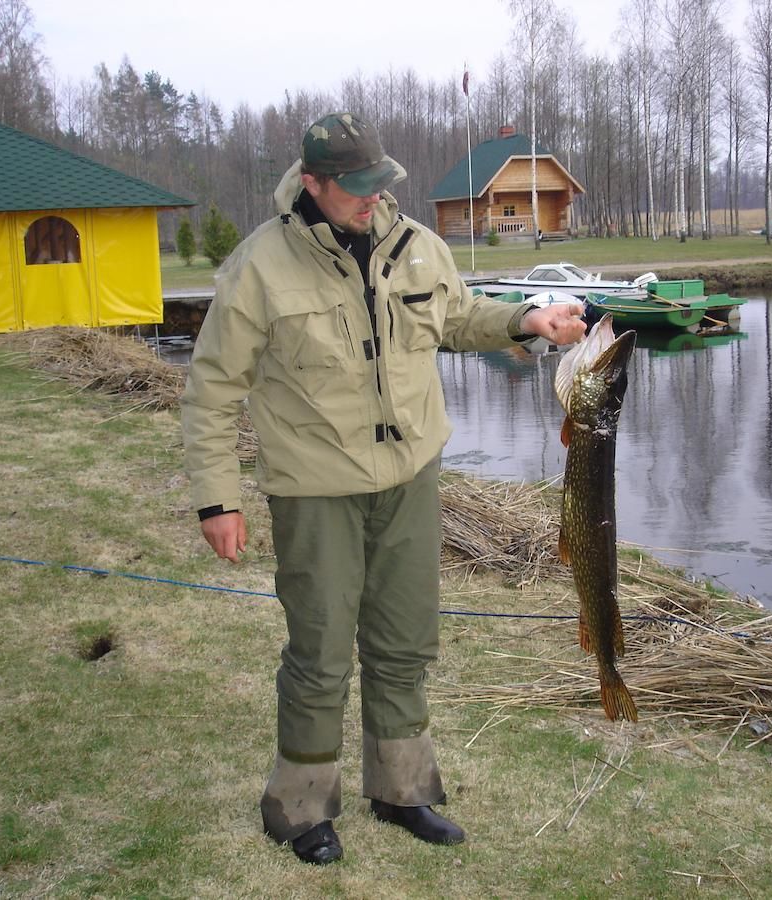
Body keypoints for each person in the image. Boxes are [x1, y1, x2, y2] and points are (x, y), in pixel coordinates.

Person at [181, 111, 585, 866]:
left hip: (409, 479)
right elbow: (210, 389)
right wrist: (217, 498)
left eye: (379, 185)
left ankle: (402, 792)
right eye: (356, 189)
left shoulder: (416, 247)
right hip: (315, 488)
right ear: (313, 184)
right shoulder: (259, 267)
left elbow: (460, 319)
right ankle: (300, 810)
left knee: (403, 644)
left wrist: (530, 319)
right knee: (321, 653)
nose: (372, 201)